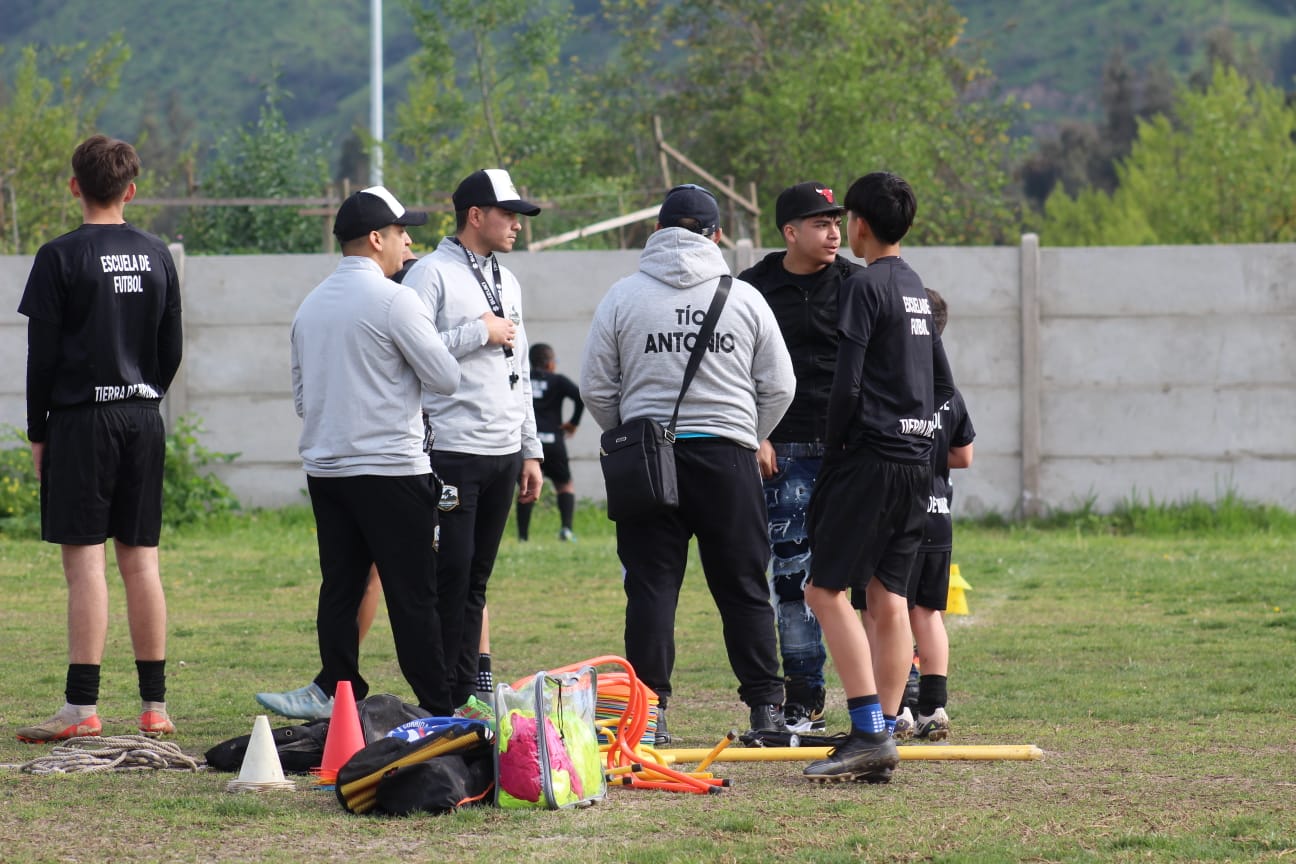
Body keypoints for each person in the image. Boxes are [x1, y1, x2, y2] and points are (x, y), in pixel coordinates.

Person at [580, 183, 795, 744]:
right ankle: (765, 711)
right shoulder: (745, 299)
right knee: (744, 586)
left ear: (656, 232)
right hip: (728, 459)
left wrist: (630, 434)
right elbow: (780, 386)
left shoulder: (623, 297)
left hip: (650, 460)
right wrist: (748, 433)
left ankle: (647, 717)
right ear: (717, 234)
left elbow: (598, 389)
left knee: (650, 588)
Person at [255, 185, 461, 720]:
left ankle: (339, 690)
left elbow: (303, 398)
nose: (408, 243)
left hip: (327, 468)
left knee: (341, 586)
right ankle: (438, 704)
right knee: (413, 593)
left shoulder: (310, 304)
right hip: (392, 468)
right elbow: (445, 377)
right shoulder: (396, 300)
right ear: (376, 238)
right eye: (401, 232)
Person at [15, 135, 183, 742]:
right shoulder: (158, 253)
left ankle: (81, 708)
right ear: (131, 190)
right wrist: (141, 396)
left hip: (81, 421)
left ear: (74, 187)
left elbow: (42, 357)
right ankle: (154, 706)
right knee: (141, 562)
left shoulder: (58, 256)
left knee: (85, 563)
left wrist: (39, 434)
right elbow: (171, 351)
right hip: (143, 417)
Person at [801, 172, 954, 784]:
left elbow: (847, 380)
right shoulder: (916, 288)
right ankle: (885, 731)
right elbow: (943, 385)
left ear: (860, 223)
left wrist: (836, 446)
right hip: (918, 465)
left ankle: (867, 732)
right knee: (889, 597)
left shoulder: (864, 286)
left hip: (870, 459)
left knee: (822, 591)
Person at [401, 168, 543, 716]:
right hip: (451, 449)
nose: (516, 225)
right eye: (508, 214)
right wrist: (475, 332)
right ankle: (442, 696)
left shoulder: (508, 280)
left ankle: (467, 692)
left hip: (504, 449)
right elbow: (412, 351)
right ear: (475, 216)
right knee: (448, 576)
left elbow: (521, 367)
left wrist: (530, 448)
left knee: (477, 577)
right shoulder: (430, 274)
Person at [737, 181, 861, 734]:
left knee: (873, 579)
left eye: (837, 222)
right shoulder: (752, 288)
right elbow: (733, 371)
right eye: (820, 223)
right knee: (791, 581)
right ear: (790, 232)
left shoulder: (858, 285)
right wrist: (756, 433)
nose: (835, 232)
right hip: (781, 452)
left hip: (850, 454)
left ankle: (895, 697)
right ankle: (804, 698)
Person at [893, 287, 975, 742]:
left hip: (896, 515)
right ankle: (935, 708)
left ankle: (899, 708)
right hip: (938, 515)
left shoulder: (891, 387)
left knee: (889, 612)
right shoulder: (948, 393)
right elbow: (964, 456)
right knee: (929, 613)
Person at [517, 342, 584, 542]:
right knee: (564, 485)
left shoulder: (522, 379)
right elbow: (581, 397)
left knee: (526, 488)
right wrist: (573, 423)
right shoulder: (558, 381)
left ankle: (523, 537)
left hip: (528, 443)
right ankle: (566, 529)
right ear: (549, 364)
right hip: (554, 443)